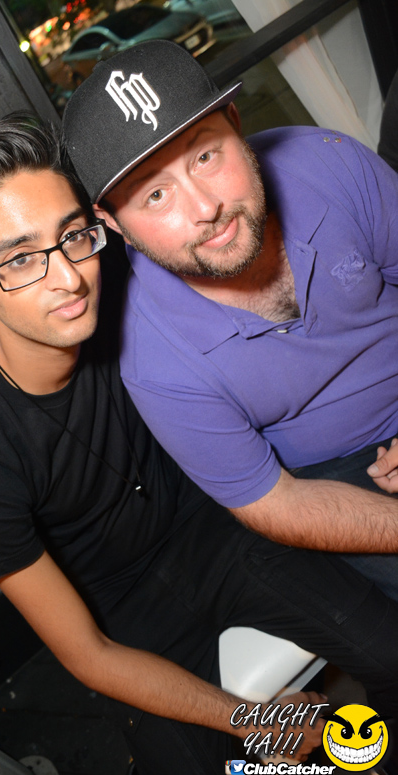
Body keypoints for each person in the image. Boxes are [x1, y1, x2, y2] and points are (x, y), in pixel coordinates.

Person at [0, 114, 398, 775]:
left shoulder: (124, 287)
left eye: (72, 236)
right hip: (120, 616)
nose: (69, 278)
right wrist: (249, 720)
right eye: (20, 260)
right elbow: (88, 654)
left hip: (221, 536)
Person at [63, 40, 398, 602]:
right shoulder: (153, 359)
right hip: (335, 476)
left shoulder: (328, 163)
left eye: (205, 156)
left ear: (236, 125)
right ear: (114, 224)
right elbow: (275, 503)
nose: (206, 209)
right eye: (155, 194)